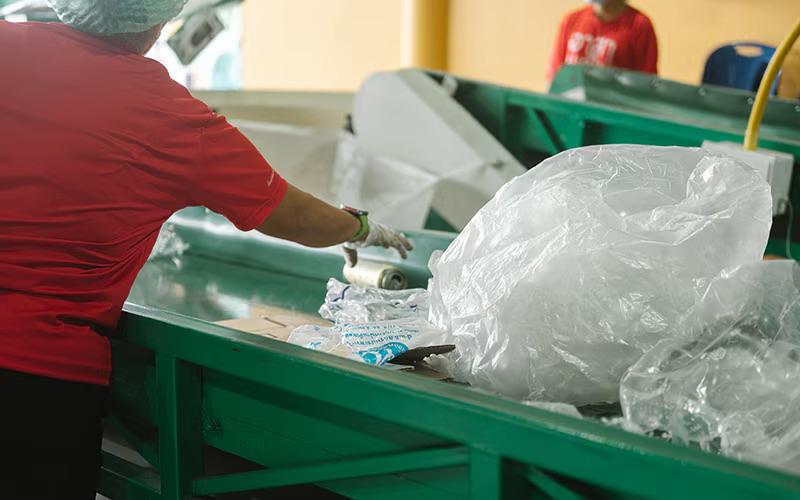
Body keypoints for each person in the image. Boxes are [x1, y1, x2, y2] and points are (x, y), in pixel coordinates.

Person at [0, 1, 412, 498]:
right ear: (160, 19)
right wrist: (358, 227)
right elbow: (296, 216)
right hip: (37, 378)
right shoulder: (175, 119)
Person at [547, 0, 658, 82]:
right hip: (571, 109)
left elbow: (646, 85)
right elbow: (554, 75)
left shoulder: (639, 25)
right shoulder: (571, 20)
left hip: (611, 110)